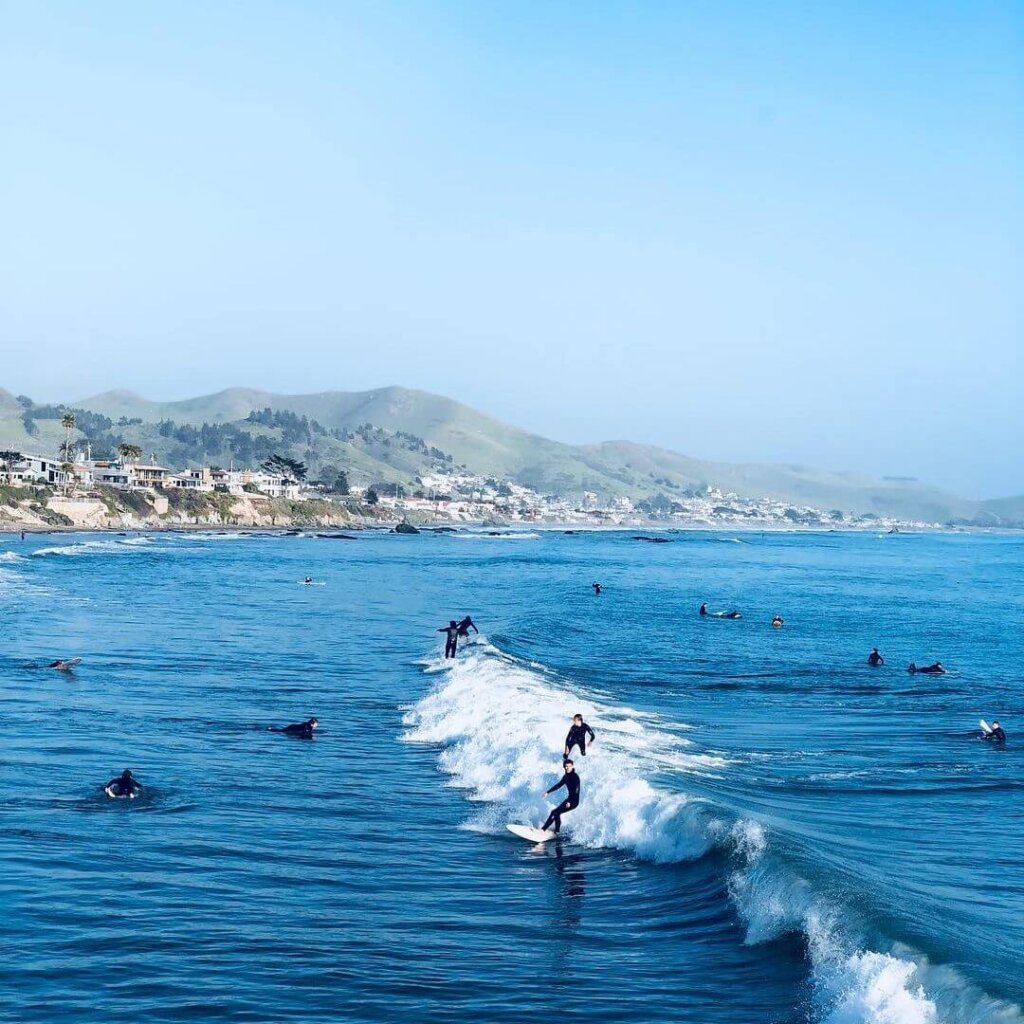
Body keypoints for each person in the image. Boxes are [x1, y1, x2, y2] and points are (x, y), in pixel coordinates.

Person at [540, 760, 580, 834]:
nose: (567, 768)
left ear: (572, 766)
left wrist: (569, 801)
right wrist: (547, 792)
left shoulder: (575, 777)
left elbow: (576, 791)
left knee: (554, 812)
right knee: (556, 813)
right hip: (569, 799)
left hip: (573, 801)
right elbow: (558, 785)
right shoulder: (566, 777)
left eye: (569, 766)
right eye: (566, 766)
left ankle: (543, 830)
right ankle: (557, 831)